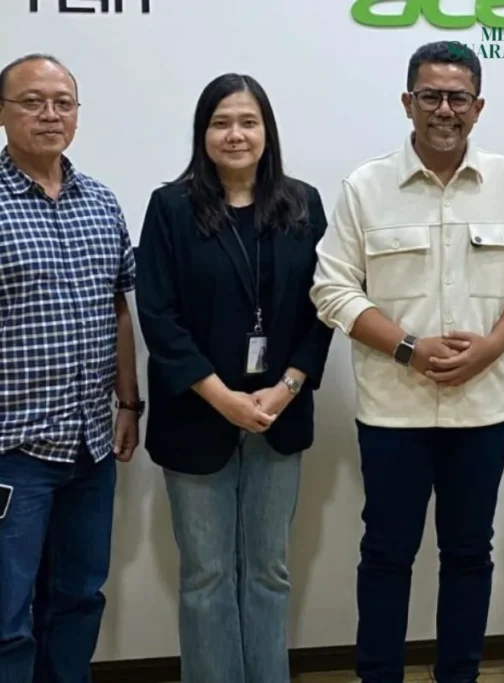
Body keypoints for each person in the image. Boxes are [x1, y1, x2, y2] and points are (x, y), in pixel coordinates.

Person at [310, 41, 504, 683]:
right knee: (387, 555)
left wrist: (493, 346)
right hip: (393, 410)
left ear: (478, 107)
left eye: (457, 98)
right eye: (430, 96)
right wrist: (408, 348)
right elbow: (331, 289)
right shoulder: (365, 187)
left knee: (470, 553)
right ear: (407, 102)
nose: (444, 109)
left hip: (483, 409)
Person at [134, 73, 334, 683]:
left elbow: (325, 306)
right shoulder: (170, 207)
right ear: (203, 133)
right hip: (197, 417)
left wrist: (289, 384)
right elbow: (158, 315)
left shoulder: (303, 204)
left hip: (279, 413)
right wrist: (221, 397)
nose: (236, 134)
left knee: (269, 571)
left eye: (248, 121)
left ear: (267, 131)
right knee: (206, 576)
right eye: (221, 122)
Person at [0, 53, 142, 682]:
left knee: (80, 597)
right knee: (7, 619)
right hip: (14, 449)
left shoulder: (101, 201)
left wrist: (129, 404)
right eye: (32, 101)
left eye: (63, 102)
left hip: (90, 448)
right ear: (4, 113)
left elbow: (119, 310)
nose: (50, 114)